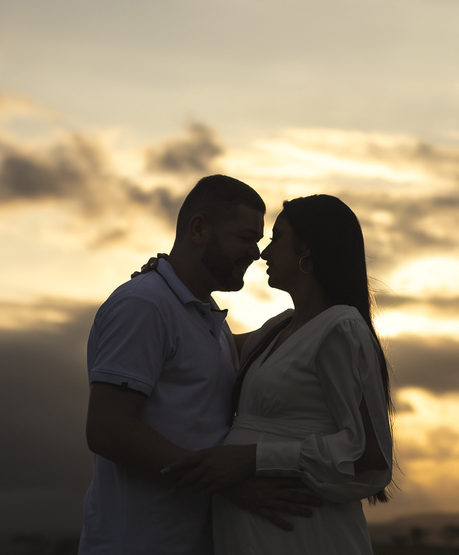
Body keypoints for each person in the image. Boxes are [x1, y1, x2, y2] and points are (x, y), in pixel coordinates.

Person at [79, 175, 319, 555]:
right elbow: (107, 429)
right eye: (246, 238)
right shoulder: (144, 305)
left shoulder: (207, 319)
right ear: (198, 228)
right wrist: (226, 481)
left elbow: (271, 347)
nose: (256, 253)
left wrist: (325, 309)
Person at [163, 194, 394, 555]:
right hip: (255, 533)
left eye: (276, 238)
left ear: (307, 249)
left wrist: (251, 458)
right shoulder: (280, 328)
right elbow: (207, 341)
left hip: (305, 534)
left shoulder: (339, 328)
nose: (264, 254)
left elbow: (368, 455)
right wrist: (168, 282)